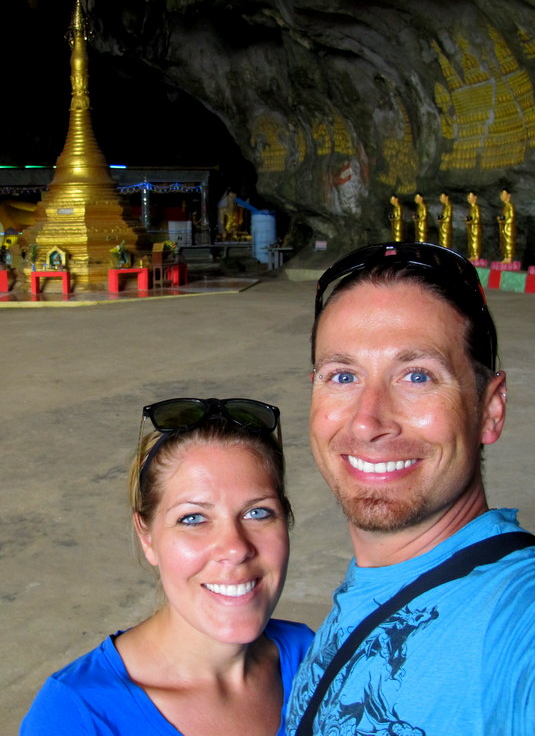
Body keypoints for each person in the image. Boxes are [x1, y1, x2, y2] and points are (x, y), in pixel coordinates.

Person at [287, 242, 535, 735]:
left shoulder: (515, 616)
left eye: (417, 375)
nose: (368, 421)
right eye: (342, 375)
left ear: (491, 408)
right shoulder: (365, 592)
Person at [21, 397, 314, 735]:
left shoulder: (311, 656)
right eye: (193, 518)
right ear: (147, 537)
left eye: (258, 512)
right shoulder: (74, 716)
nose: (235, 548)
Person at [497, 188, 516, 262]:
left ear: (509, 195)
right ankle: (506, 257)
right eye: (501, 194)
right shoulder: (505, 206)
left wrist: (503, 221)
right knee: (504, 242)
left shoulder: (510, 206)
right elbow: (504, 217)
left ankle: (509, 257)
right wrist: (501, 219)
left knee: (509, 242)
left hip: (509, 228)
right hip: (505, 228)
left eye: (503, 194)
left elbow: (511, 218)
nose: (502, 196)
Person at [465, 190, 482, 259]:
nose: (469, 198)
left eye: (470, 197)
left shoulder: (476, 208)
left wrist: (471, 221)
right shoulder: (471, 208)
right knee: (471, 241)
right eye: (468, 197)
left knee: (475, 241)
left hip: (475, 228)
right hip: (471, 227)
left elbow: (477, 219)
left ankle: (476, 255)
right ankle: (472, 255)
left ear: (475, 198)